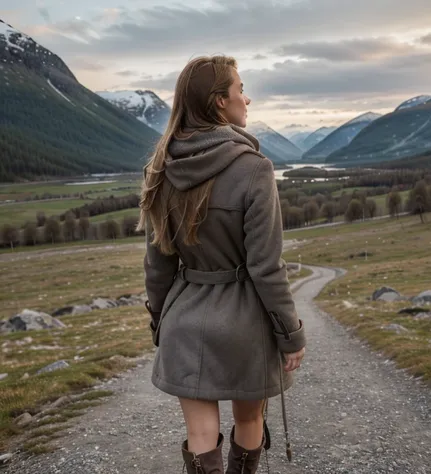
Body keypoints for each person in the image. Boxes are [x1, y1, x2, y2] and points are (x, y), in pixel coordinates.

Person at [136, 55, 306, 474]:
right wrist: (291, 334)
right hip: (245, 324)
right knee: (250, 419)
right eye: (240, 89)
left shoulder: (160, 169)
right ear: (218, 103)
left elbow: (157, 267)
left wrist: (160, 321)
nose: (246, 99)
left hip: (184, 319)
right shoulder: (255, 169)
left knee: (200, 436)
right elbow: (266, 267)